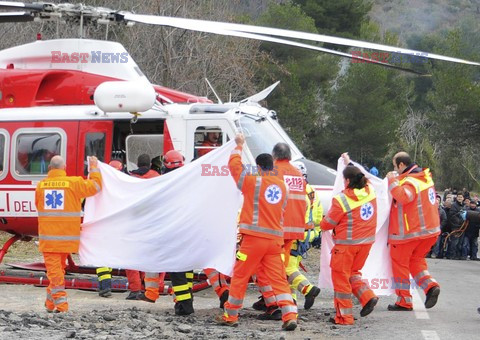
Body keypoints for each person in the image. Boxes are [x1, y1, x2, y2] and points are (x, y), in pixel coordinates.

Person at [216, 134, 298, 331]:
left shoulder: (253, 181)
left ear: (259, 167)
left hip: (253, 240)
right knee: (278, 279)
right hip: (275, 241)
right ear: (273, 166)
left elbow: (235, 166)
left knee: (240, 276)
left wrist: (239, 146)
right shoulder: (283, 186)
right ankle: (290, 315)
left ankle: (231, 315)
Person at [35, 155, 102, 312]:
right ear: (64, 168)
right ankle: (50, 304)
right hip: (67, 239)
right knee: (58, 271)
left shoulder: (41, 186)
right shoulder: (74, 183)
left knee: (55, 273)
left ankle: (61, 306)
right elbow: (96, 186)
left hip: (49, 240)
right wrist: (93, 168)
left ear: (50, 168)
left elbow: (39, 206)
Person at [320, 153, 378, 325]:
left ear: (346, 181)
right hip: (366, 244)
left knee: (341, 279)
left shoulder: (341, 199)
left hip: (346, 246)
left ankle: (344, 316)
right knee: (353, 274)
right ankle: (367, 296)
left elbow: (328, 224)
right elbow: (365, 177)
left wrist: (320, 221)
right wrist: (349, 163)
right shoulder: (370, 190)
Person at [253, 142, 308, 320]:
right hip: (294, 230)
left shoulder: (273, 171)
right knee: (280, 267)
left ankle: (273, 305)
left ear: (274, 156)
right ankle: (277, 301)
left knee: (263, 268)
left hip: (275, 228)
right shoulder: (298, 174)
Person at [386, 152, 440, 311]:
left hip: (410, 234)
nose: (394, 169)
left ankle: (404, 300)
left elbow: (403, 197)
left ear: (401, 165)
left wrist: (392, 181)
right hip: (429, 232)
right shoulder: (425, 176)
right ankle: (430, 286)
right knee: (416, 261)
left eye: (395, 166)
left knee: (400, 264)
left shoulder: (410, 181)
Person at [285, 161, 322, 309]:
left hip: (295, 235)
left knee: (287, 268)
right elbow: (318, 217)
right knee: (291, 267)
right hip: (308, 235)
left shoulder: (295, 190)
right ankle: (291, 301)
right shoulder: (312, 191)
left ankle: (308, 289)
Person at [125, 154, 160, 300]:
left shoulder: (130, 179)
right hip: (152, 222)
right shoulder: (157, 177)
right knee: (150, 255)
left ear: (137, 164)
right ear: (150, 164)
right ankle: (149, 288)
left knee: (131, 256)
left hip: (134, 222)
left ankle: (135, 289)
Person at [95, 159, 125, 298]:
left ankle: (105, 285)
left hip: (100, 224)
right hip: (115, 225)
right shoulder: (122, 186)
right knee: (107, 256)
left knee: (101, 257)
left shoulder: (98, 184)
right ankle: (105, 285)